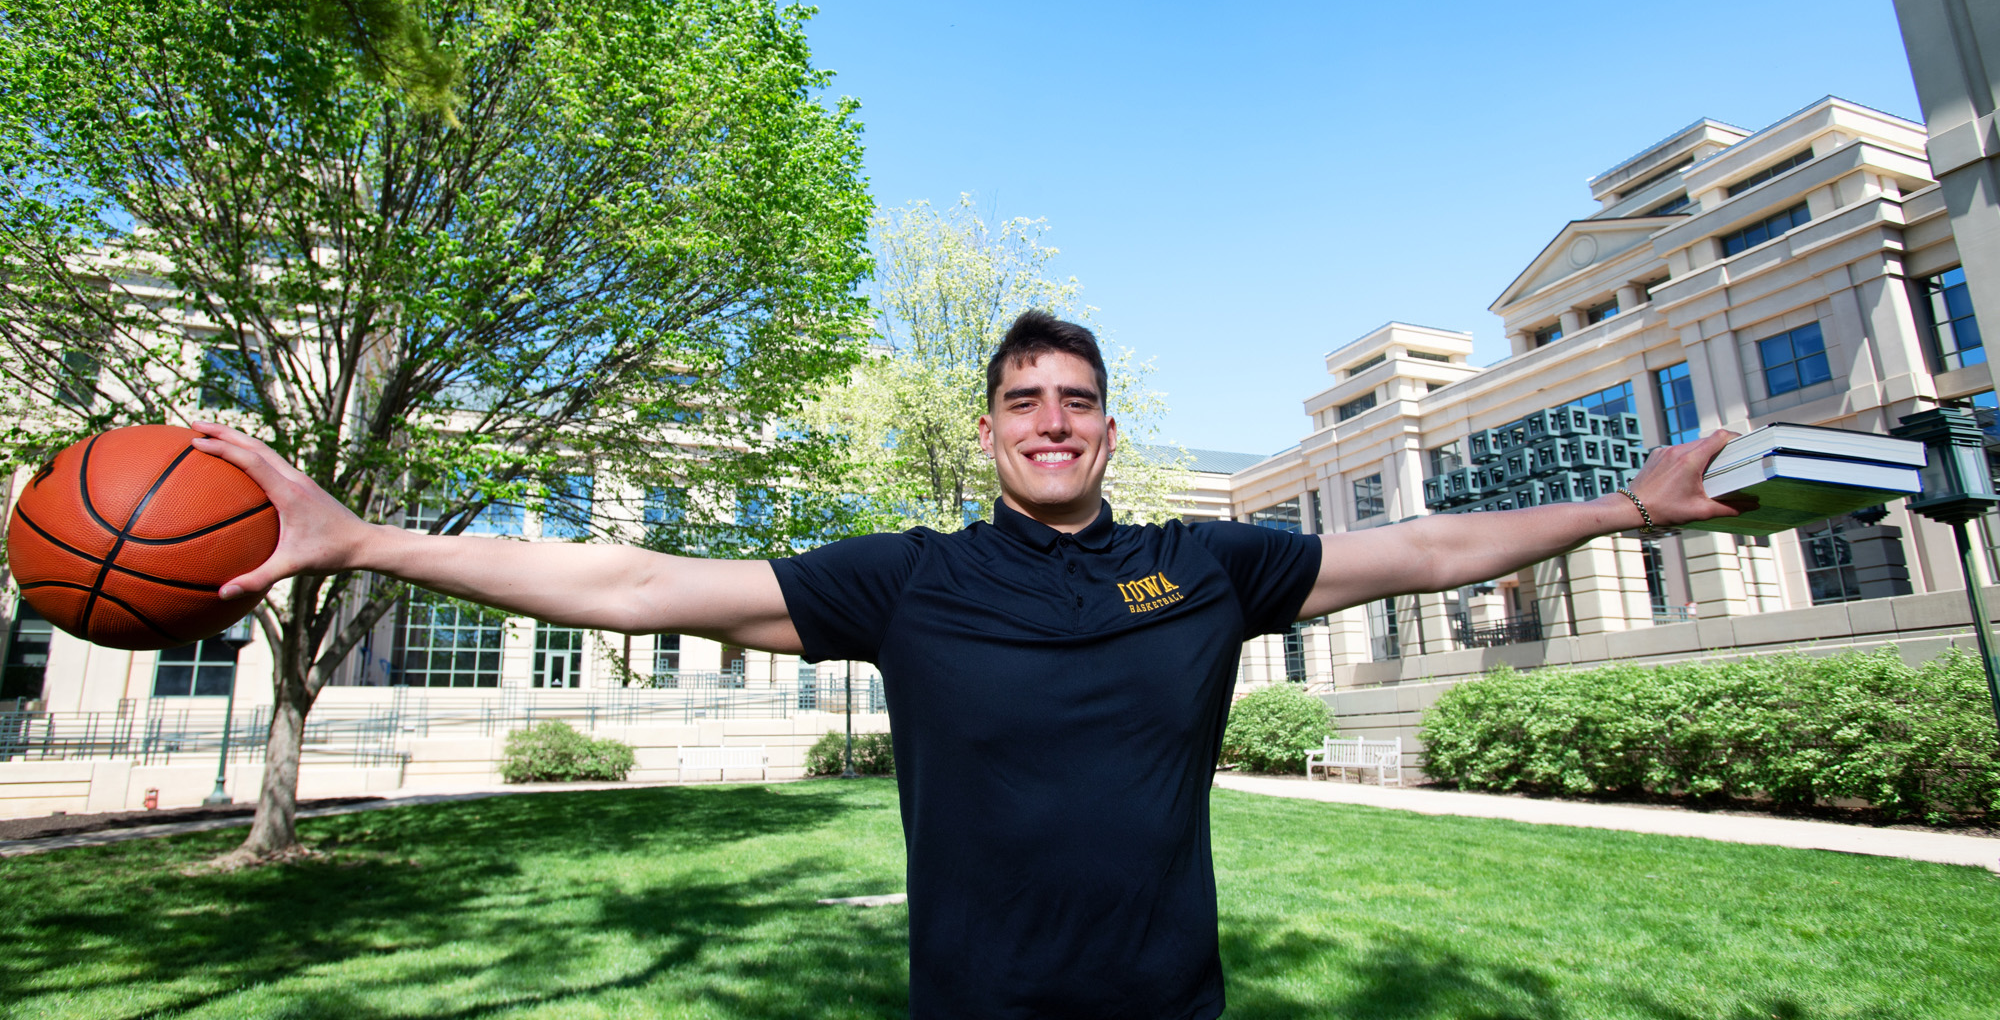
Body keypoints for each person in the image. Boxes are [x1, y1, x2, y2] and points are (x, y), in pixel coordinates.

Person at [191, 310, 1746, 1020]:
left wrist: (1626, 505)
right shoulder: (908, 583)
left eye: (1078, 398)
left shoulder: (1209, 566)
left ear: (1112, 429)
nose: (1053, 419)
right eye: (1025, 400)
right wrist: (363, 541)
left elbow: (1418, 550)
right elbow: (635, 577)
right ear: (990, 431)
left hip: (1168, 1004)